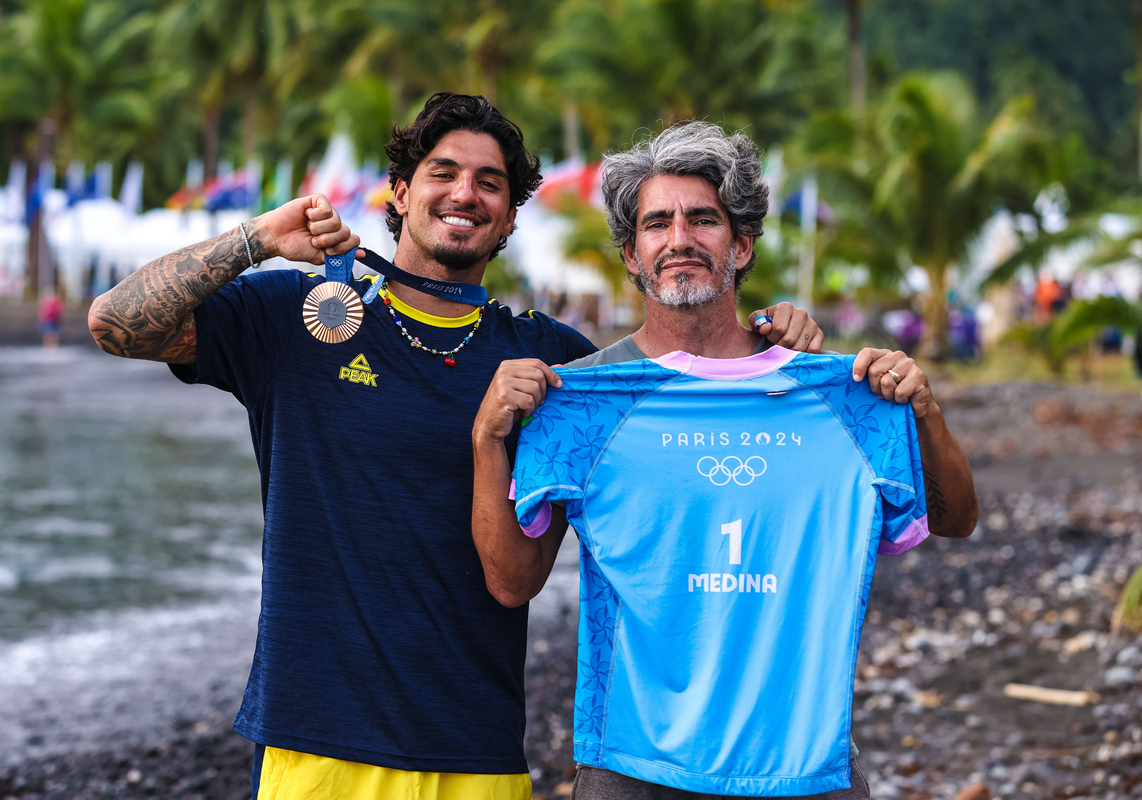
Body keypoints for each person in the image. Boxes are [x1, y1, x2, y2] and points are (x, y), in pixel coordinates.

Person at [87, 94, 823, 800]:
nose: (464, 193)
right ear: (400, 193)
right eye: (442, 172)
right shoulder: (302, 315)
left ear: (507, 216)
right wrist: (254, 241)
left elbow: (684, 406)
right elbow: (117, 324)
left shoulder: (548, 361)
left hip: (474, 744)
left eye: (489, 183)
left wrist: (765, 342)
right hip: (317, 737)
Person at [471, 122, 979, 799]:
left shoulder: (833, 393)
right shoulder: (583, 398)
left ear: (739, 245)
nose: (679, 238)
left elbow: (954, 520)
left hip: (805, 760)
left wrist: (924, 413)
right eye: (657, 223)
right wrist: (486, 441)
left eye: (702, 220)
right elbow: (512, 582)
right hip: (633, 763)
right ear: (631, 254)